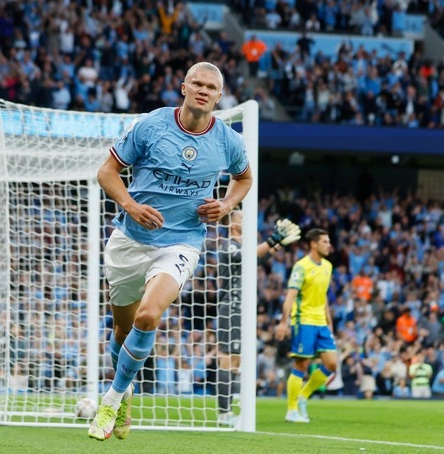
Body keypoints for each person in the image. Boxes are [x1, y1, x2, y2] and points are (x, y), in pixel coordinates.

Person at [88, 61, 253, 441]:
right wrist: (131, 205)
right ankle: (125, 394)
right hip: (129, 239)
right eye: (197, 82)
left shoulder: (228, 141)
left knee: (148, 315)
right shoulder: (151, 124)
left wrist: (227, 205)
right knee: (122, 328)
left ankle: (111, 400)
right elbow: (106, 172)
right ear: (183, 87)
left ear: (219, 96)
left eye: (211, 87)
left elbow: (244, 178)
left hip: (182, 242)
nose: (203, 90)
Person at [216, 210, 301, 426]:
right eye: (243, 218)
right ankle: (224, 413)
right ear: (234, 225)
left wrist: (277, 245)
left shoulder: (244, 248)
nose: (248, 222)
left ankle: (229, 409)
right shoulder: (228, 245)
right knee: (228, 360)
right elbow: (247, 257)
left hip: (242, 309)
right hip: (231, 308)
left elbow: (257, 259)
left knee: (237, 362)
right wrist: (274, 239)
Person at [276, 228, 338, 423]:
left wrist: (329, 321)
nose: (329, 245)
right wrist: (284, 321)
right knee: (301, 365)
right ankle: (291, 410)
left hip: (320, 322)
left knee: (332, 363)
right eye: (325, 242)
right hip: (303, 321)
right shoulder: (301, 267)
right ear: (314, 244)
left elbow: (324, 296)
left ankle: (303, 396)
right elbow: (291, 296)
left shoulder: (327, 266)